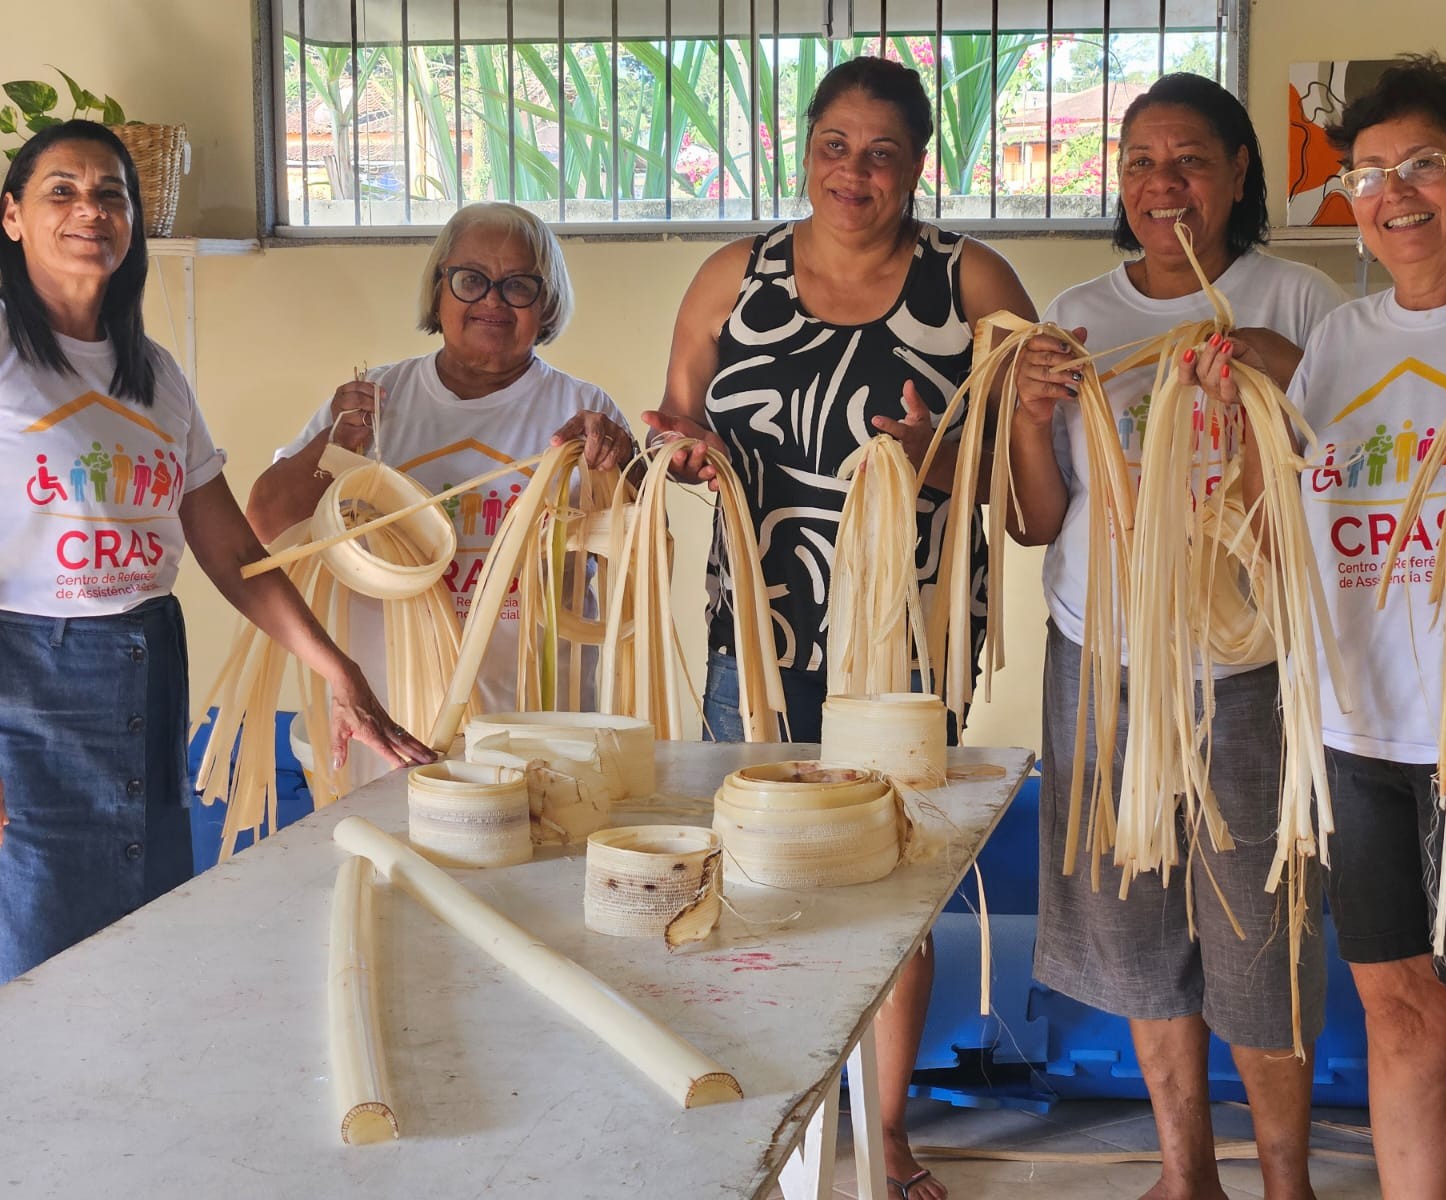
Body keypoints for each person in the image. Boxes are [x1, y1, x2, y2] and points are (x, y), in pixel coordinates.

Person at [1192, 54, 1446, 1198]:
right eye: (1367, 173)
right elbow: (1299, 541)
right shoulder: (1341, 344)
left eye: (1423, 165)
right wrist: (1243, 454)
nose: (1393, 193)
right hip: (1357, 733)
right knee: (1394, 1005)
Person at [644, 55, 1036, 1200]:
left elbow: (1020, 488)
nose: (852, 173)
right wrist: (674, 453)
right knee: (754, 868)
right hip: (756, 635)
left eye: (881, 152)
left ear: (920, 165)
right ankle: (765, 1116)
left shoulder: (971, 282)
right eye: (833, 146)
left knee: (891, 885)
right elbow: (682, 437)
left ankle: (885, 1127)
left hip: (904, 645)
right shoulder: (734, 275)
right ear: (804, 150)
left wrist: (935, 458)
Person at [1009, 73, 1347, 1199]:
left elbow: (1349, 475)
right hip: (1098, 657)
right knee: (1133, 924)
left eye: (1191, 159)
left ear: (1239, 171)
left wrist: (1282, 374)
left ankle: (1287, 1182)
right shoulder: (1079, 314)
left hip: (1249, 663)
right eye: (1142, 161)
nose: (1165, 184)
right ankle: (1183, 1171)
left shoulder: (1300, 299)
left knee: (1262, 927)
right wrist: (1021, 411)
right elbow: (1034, 519)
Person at [0, 121, 431, 984]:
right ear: (11, 216)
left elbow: (229, 546)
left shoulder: (152, 371)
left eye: (111, 194)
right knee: (39, 953)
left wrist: (340, 672)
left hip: (148, 662)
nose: (91, 210)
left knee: (140, 933)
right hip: (28, 683)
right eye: (62, 191)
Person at [247, 203, 634, 780]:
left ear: (546, 303)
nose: (493, 301)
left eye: (519, 285)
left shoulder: (583, 412)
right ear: (438, 291)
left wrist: (627, 471)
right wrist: (331, 449)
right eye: (471, 280)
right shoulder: (375, 399)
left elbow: (643, 558)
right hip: (391, 728)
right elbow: (265, 526)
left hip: (541, 733)